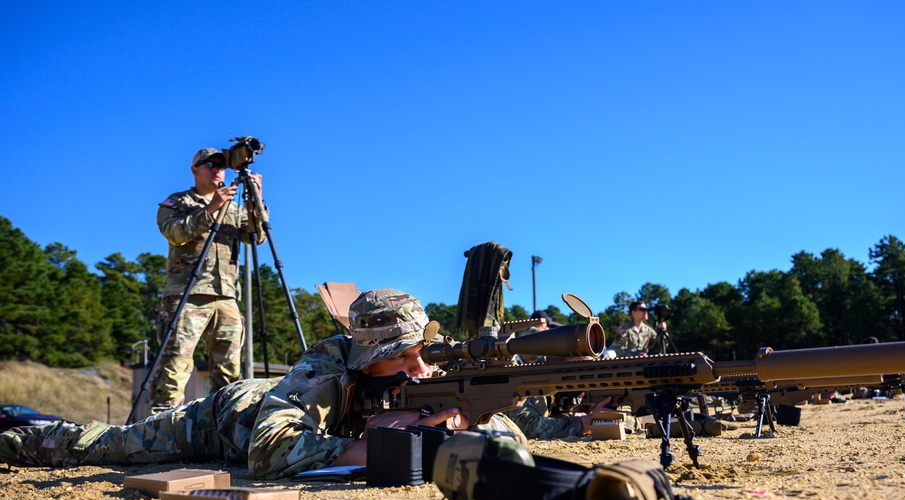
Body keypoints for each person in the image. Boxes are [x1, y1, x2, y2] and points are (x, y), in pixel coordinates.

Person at [0, 289, 607, 479]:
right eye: (403, 359)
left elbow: (506, 437)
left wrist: (455, 423)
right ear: (368, 358)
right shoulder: (323, 368)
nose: (420, 369)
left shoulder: (430, 371)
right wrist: (373, 445)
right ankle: (21, 430)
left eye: (421, 355)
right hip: (226, 421)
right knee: (101, 448)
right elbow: (269, 450)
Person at [149, 148, 268, 414]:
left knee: (229, 370)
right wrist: (211, 208)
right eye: (210, 165)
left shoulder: (234, 209)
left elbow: (256, 237)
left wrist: (256, 201)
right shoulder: (177, 202)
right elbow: (174, 233)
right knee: (175, 365)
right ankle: (162, 428)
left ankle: (221, 425)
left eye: (221, 166)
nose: (217, 170)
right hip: (187, 294)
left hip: (226, 297)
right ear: (195, 170)